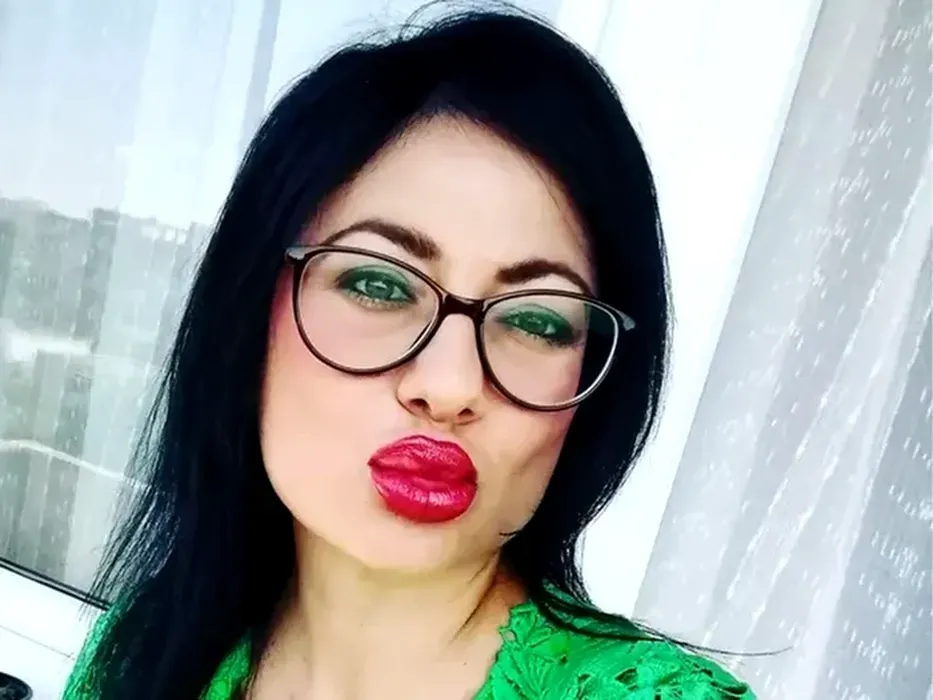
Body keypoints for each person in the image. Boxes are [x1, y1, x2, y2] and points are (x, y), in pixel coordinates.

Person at [64, 7, 756, 699]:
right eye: (379, 285)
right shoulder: (142, 652)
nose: (451, 384)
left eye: (536, 321)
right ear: (246, 311)